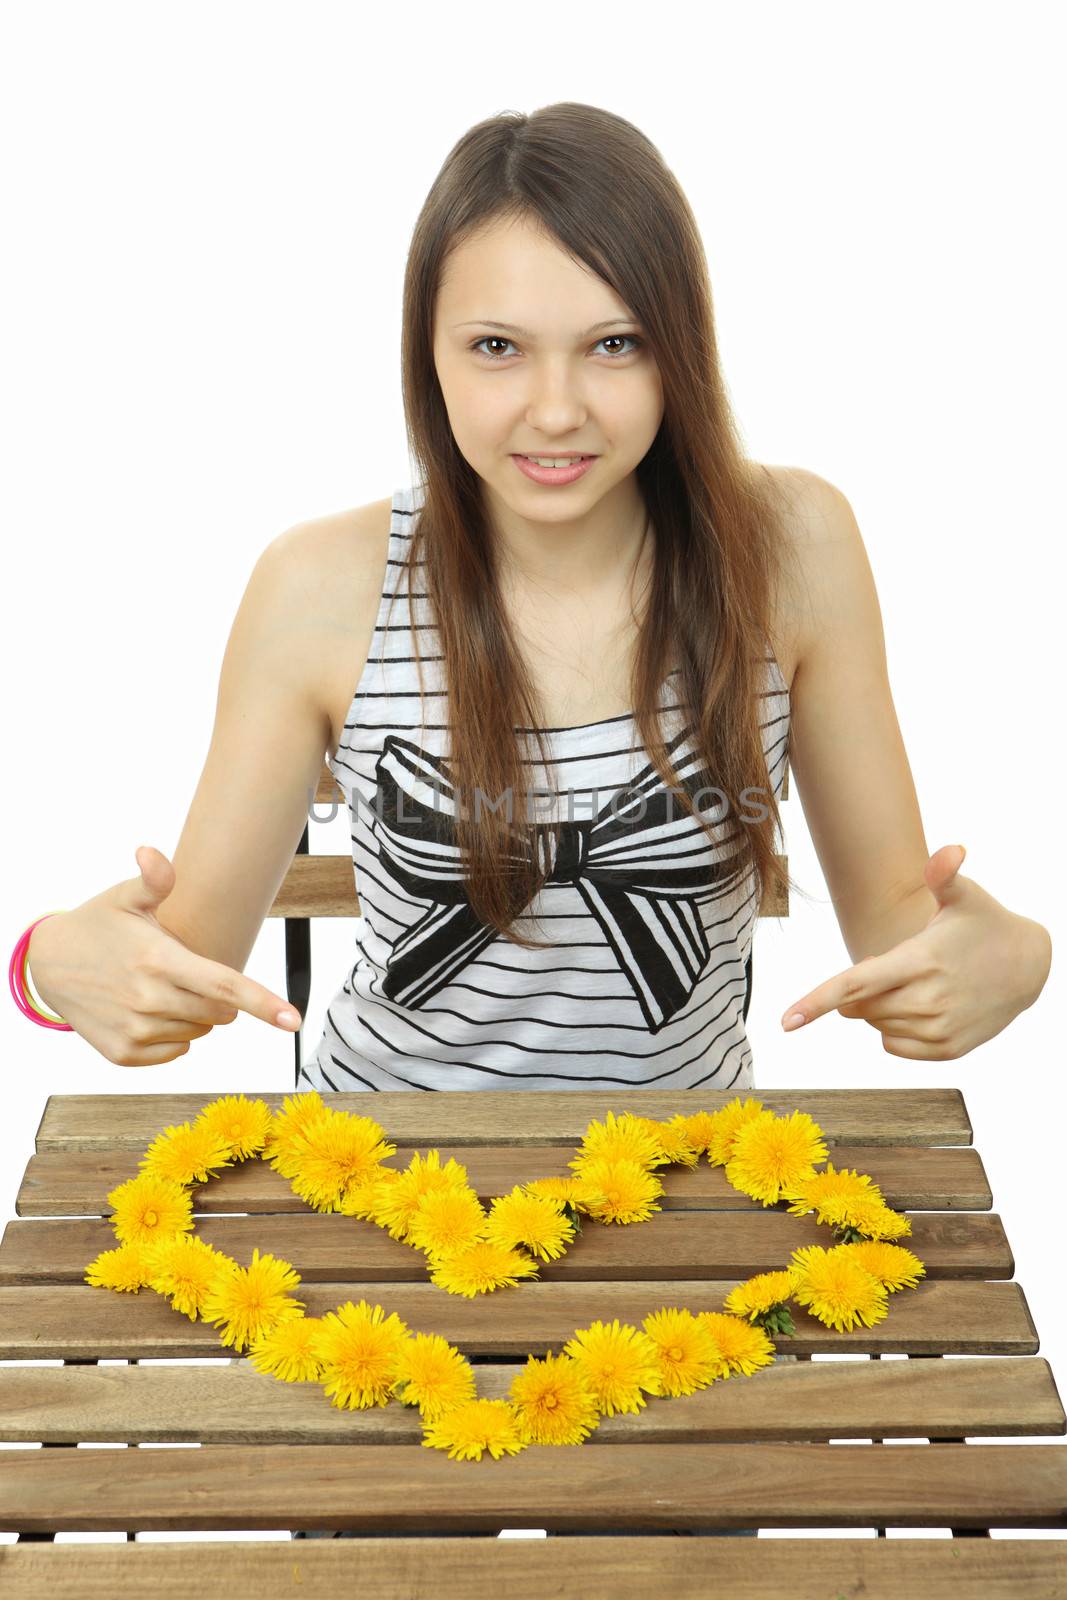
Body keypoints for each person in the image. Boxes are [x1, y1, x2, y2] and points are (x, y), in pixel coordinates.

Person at [14, 101, 1052, 1540]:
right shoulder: (319, 585)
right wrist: (55, 964)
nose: (554, 411)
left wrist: (1011, 959)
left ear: (679, 349)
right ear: (426, 356)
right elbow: (169, 976)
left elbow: (907, 939)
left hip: (685, 1196)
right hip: (378, 1197)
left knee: (689, 1557)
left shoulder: (793, 547)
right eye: (495, 348)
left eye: (613, 345)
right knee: (374, 1559)